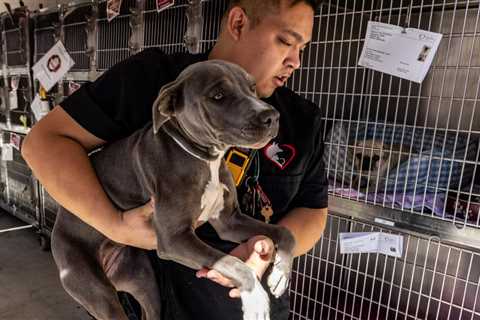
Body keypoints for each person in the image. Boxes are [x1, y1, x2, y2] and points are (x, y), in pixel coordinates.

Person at [21, 0, 328, 319]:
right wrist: (116, 226)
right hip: (145, 290)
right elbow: (42, 144)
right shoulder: (151, 78)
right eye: (286, 42)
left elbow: (313, 209)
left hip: (247, 308)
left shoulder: (300, 119)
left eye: (302, 48)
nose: (295, 61)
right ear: (238, 23)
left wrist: (268, 247)